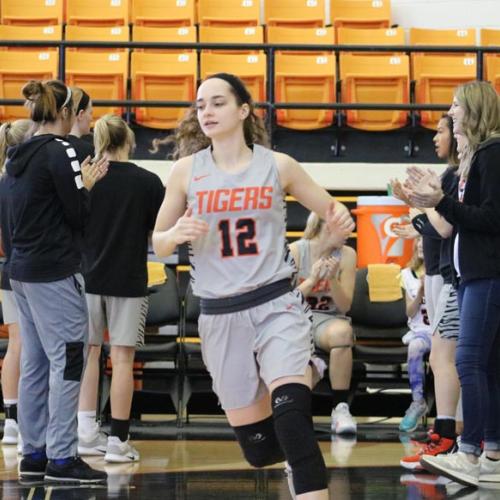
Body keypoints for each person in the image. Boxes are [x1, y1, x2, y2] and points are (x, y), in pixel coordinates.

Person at [152, 73, 354, 499]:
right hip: (221, 315)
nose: (206, 111)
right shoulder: (186, 172)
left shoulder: (278, 165)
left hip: (275, 302)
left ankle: (296, 379)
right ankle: (301, 378)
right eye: (201, 104)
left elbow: (332, 209)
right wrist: (175, 235)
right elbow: (158, 239)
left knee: (292, 419)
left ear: (243, 110)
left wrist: (341, 220)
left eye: (217, 102)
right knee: (260, 450)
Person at [5, 79, 108, 483]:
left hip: (22, 273)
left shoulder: (17, 154)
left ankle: (33, 452)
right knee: (67, 361)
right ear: (65, 113)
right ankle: (62, 458)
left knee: (34, 361)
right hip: (53, 272)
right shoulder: (60, 151)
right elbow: (78, 212)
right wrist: (90, 185)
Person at [406, 81, 500, 487]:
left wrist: (439, 201)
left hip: (488, 275)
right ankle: (493, 454)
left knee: (468, 361)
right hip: (471, 276)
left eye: (456, 106)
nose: (450, 111)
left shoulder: (493, 154)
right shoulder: (477, 157)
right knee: (489, 366)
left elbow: (490, 218)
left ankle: (469, 449)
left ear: (474, 110)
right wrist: (435, 200)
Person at [77, 114, 165, 463]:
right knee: (123, 359)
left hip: (85, 278)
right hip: (128, 279)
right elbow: (158, 235)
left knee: (89, 355)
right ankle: (118, 440)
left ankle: (85, 432)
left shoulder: (85, 179)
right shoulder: (148, 181)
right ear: (128, 141)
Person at [393, 114, 462, 471]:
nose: (435, 137)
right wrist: (416, 210)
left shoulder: (453, 176)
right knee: (446, 358)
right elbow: (432, 229)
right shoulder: (449, 175)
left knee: (447, 357)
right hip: (437, 272)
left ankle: (454, 437)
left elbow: (444, 227)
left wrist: (419, 206)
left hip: (451, 274)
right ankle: (454, 436)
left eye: (441, 130)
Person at [289, 211, 357, 435]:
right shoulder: (297, 251)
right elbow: (286, 302)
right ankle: (286, 413)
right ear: (328, 227)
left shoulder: (347, 255)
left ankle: (340, 408)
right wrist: (312, 280)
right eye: (345, 227)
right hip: (296, 318)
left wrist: (332, 280)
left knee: (343, 334)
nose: (350, 232)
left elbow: (345, 306)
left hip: (328, 320)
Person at [0, 119, 34, 447]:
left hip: (8, 268)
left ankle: (11, 420)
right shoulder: (23, 182)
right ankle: (25, 420)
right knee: (28, 345)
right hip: (29, 270)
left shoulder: (3, 181)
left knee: (16, 343)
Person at [399, 237, 432, 433]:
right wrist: (420, 291)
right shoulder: (407, 274)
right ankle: (418, 401)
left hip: (444, 331)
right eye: (418, 239)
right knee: (415, 347)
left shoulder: (448, 272)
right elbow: (409, 313)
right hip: (421, 332)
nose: (421, 243)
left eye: (424, 239)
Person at [66, 86, 94, 160]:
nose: (91, 119)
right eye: (90, 113)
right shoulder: (87, 150)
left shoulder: (54, 143)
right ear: (81, 114)